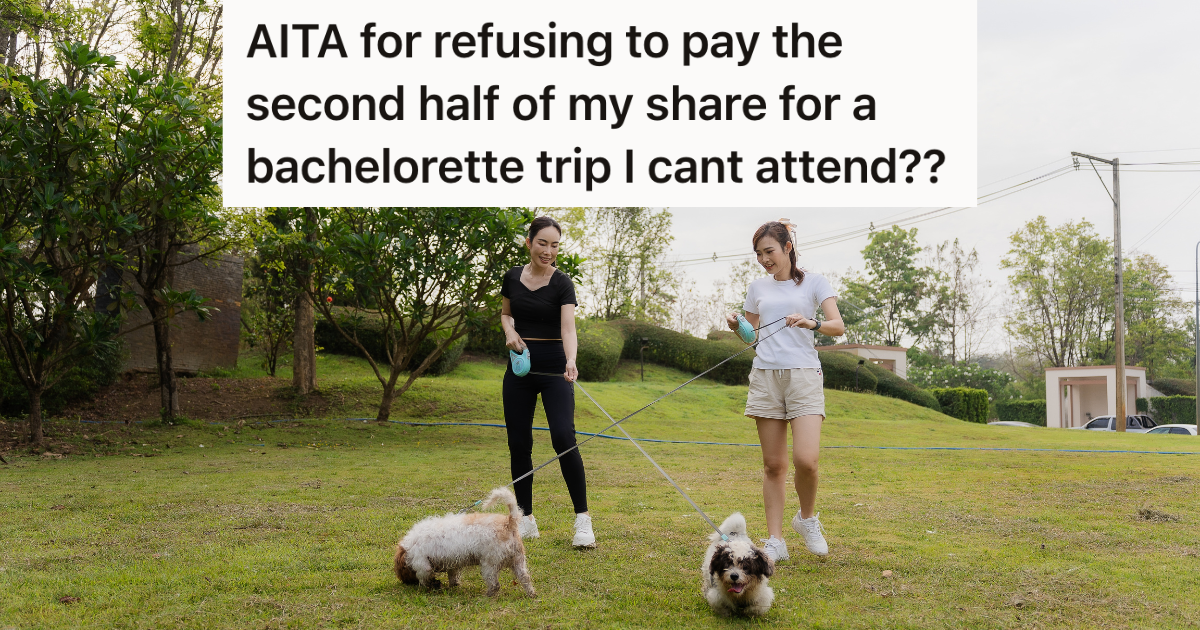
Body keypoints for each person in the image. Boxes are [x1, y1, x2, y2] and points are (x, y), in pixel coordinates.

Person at [726, 220, 845, 562]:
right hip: (765, 376)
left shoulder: (815, 283)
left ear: (787, 248)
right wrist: (738, 327)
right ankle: (775, 539)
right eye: (759, 254)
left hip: (804, 375)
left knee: (806, 460)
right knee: (774, 465)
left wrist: (812, 323)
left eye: (770, 251)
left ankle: (806, 520)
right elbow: (752, 336)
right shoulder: (757, 288)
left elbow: (837, 326)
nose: (765, 259)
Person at [500, 216, 595, 548]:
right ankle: (525, 518)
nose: (548, 251)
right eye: (542, 243)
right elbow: (507, 314)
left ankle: (582, 520)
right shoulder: (512, 277)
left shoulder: (562, 283)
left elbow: (568, 328)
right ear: (529, 243)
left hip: (556, 369)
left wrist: (571, 359)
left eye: (555, 245)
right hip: (520, 371)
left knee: (563, 435)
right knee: (518, 443)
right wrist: (510, 332)